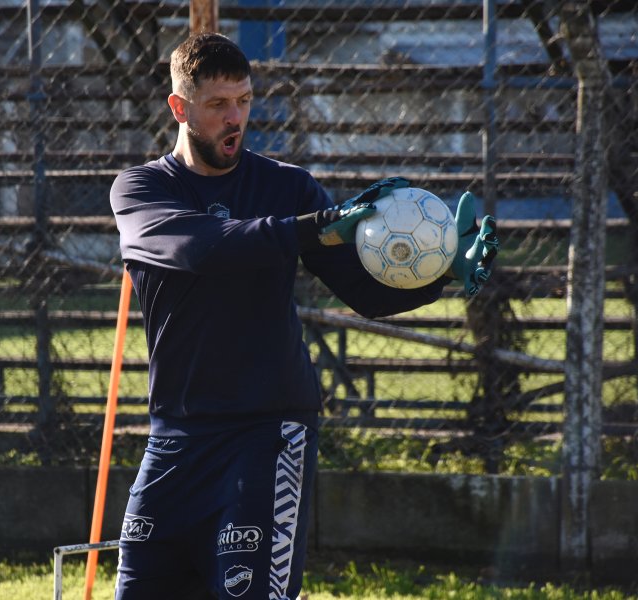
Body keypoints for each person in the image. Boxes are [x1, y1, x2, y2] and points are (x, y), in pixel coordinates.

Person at [109, 32, 497, 600]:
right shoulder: (142, 190)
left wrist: (441, 277)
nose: (235, 117)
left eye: (243, 100)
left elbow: (363, 291)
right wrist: (308, 227)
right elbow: (203, 247)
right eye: (218, 105)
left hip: (266, 436)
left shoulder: (286, 187)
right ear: (180, 107)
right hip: (174, 439)